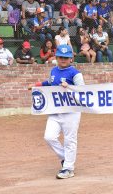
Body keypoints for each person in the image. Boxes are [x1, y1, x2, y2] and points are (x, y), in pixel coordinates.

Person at [28, 44, 84, 179]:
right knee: (49, 137)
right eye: (60, 57)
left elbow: (83, 91)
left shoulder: (75, 73)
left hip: (71, 111)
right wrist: (36, 86)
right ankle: (66, 158)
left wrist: (69, 87)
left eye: (66, 57)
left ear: (70, 58)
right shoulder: (53, 70)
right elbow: (49, 83)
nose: (63, 60)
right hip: (55, 110)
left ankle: (68, 169)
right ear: (57, 57)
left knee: (70, 140)